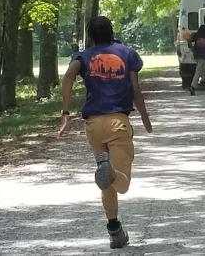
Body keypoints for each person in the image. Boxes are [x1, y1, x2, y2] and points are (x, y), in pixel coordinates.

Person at [58, 16, 153, 249]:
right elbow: (135, 89)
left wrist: (66, 113)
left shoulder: (83, 56)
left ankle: (115, 231)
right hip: (118, 124)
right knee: (121, 182)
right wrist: (144, 117)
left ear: (90, 36)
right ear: (112, 32)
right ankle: (108, 170)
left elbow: (68, 76)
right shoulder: (127, 54)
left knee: (106, 183)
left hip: (93, 126)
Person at [186, 24, 205, 95]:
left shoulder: (196, 35)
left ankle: (203, 80)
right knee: (198, 71)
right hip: (204, 56)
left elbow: (189, 42)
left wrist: (190, 45)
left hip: (196, 55)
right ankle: (193, 86)